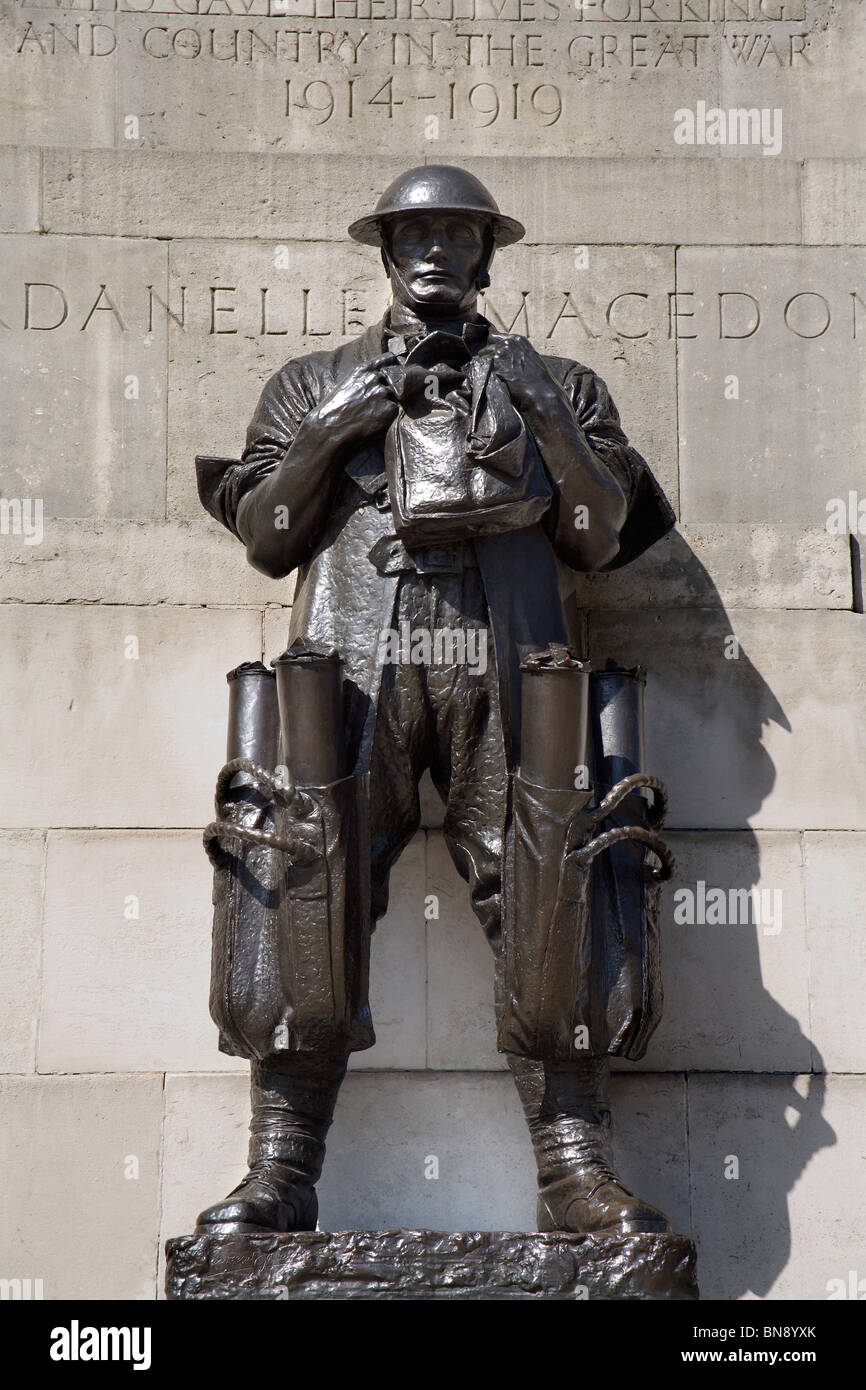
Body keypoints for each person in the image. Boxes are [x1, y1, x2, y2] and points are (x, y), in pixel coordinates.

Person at [195, 165, 676, 1237]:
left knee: (555, 882)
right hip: (352, 656)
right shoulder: (308, 380)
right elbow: (269, 540)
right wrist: (332, 428)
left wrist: (546, 412)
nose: (434, 249)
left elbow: (598, 541)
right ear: (383, 248)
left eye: (457, 232)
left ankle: (572, 1173)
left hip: (510, 659)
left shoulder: (563, 383)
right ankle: (280, 1171)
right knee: (303, 880)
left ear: (486, 252)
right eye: (414, 230)